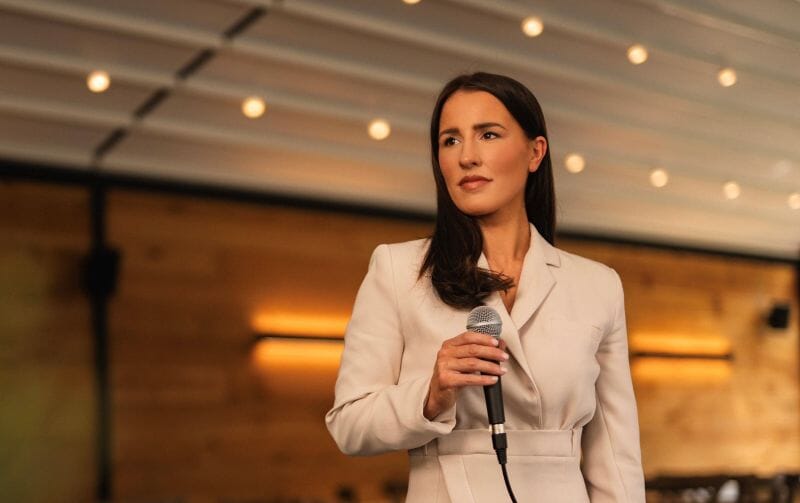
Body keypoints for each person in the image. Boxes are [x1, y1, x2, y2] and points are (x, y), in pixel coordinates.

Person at [325, 72, 645, 503]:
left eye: (488, 134)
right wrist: (431, 394)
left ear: (536, 152)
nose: (467, 157)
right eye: (450, 141)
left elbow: (615, 454)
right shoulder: (398, 269)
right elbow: (349, 424)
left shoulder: (597, 285)